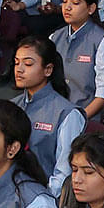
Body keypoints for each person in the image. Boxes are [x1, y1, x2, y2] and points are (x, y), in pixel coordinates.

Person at [10, 36, 83, 191]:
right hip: (8, 190)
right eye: (16, 63)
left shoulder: (67, 113)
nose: (19, 69)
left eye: (28, 64)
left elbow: (64, 173)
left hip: (44, 194)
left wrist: (42, 198)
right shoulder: (11, 106)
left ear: (48, 69)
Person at [50, 0, 104, 117]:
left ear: (91, 8)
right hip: (55, 113)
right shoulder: (54, 37)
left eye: (75, 3)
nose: (67, 7)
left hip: (88, 117)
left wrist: (78, 120)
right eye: (64, 1)